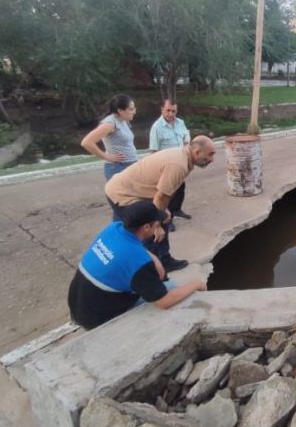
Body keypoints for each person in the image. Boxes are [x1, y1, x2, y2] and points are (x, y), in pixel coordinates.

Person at [67, 200, 206, 330]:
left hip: (77, 303)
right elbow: (164, 302)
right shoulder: (138, 261)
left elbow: (136, 252)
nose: (159, 227)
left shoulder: (114, 228)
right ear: (146, 227)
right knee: (172, 289)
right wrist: (196, 285)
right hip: (97, 319)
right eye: (157, 224)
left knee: (161, 284)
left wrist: (154, 260)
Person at [105, 136, 216, 272]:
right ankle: (151, 270)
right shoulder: (178, 165)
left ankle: (163, 260)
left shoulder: (183, 156)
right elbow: (162, 195)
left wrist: (162, 213)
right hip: (123, 195)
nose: (212, 159)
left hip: (135, 192)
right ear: (197, 152)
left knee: (162, 217)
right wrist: (156, 224)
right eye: (210, 154)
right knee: (146, 231)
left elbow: (164, 193)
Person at [149, 99, 192, 226]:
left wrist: (187, 141)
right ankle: (168, 219)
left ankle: (177, 210)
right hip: (166, 167)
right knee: (167, 193)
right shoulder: (156, 127)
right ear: (162, 109)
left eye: (173, 111)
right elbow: (153, 150)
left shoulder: (180, 123)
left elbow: (186, 136)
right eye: (168, 110)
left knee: (180, 189)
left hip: (180, 163)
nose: (171, 114)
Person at [81, 94, 139, 181]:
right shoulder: (110, 124)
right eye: (131, 109)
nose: (134, 112)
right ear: (120, 111)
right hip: (118, 167)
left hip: (130, 165)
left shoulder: (123, 120)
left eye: (134, 108)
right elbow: (86, 142)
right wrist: (106, 156)